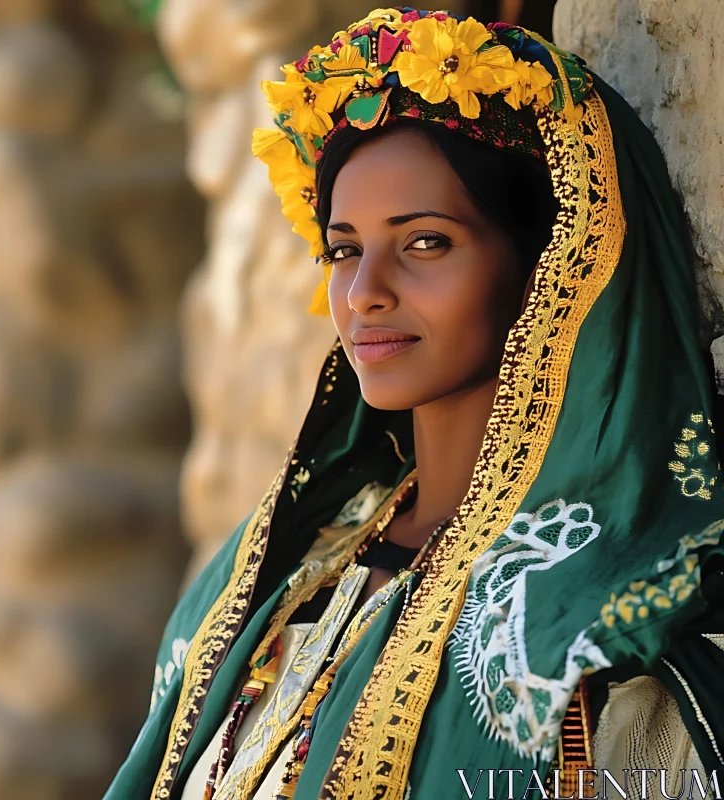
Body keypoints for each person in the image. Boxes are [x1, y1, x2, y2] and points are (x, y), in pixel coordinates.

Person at [104, 8, 724, 800]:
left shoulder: (608, 634)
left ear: (552, 264)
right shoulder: (266, 582)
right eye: (344, 248)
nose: (365, 294)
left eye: (425, 241)